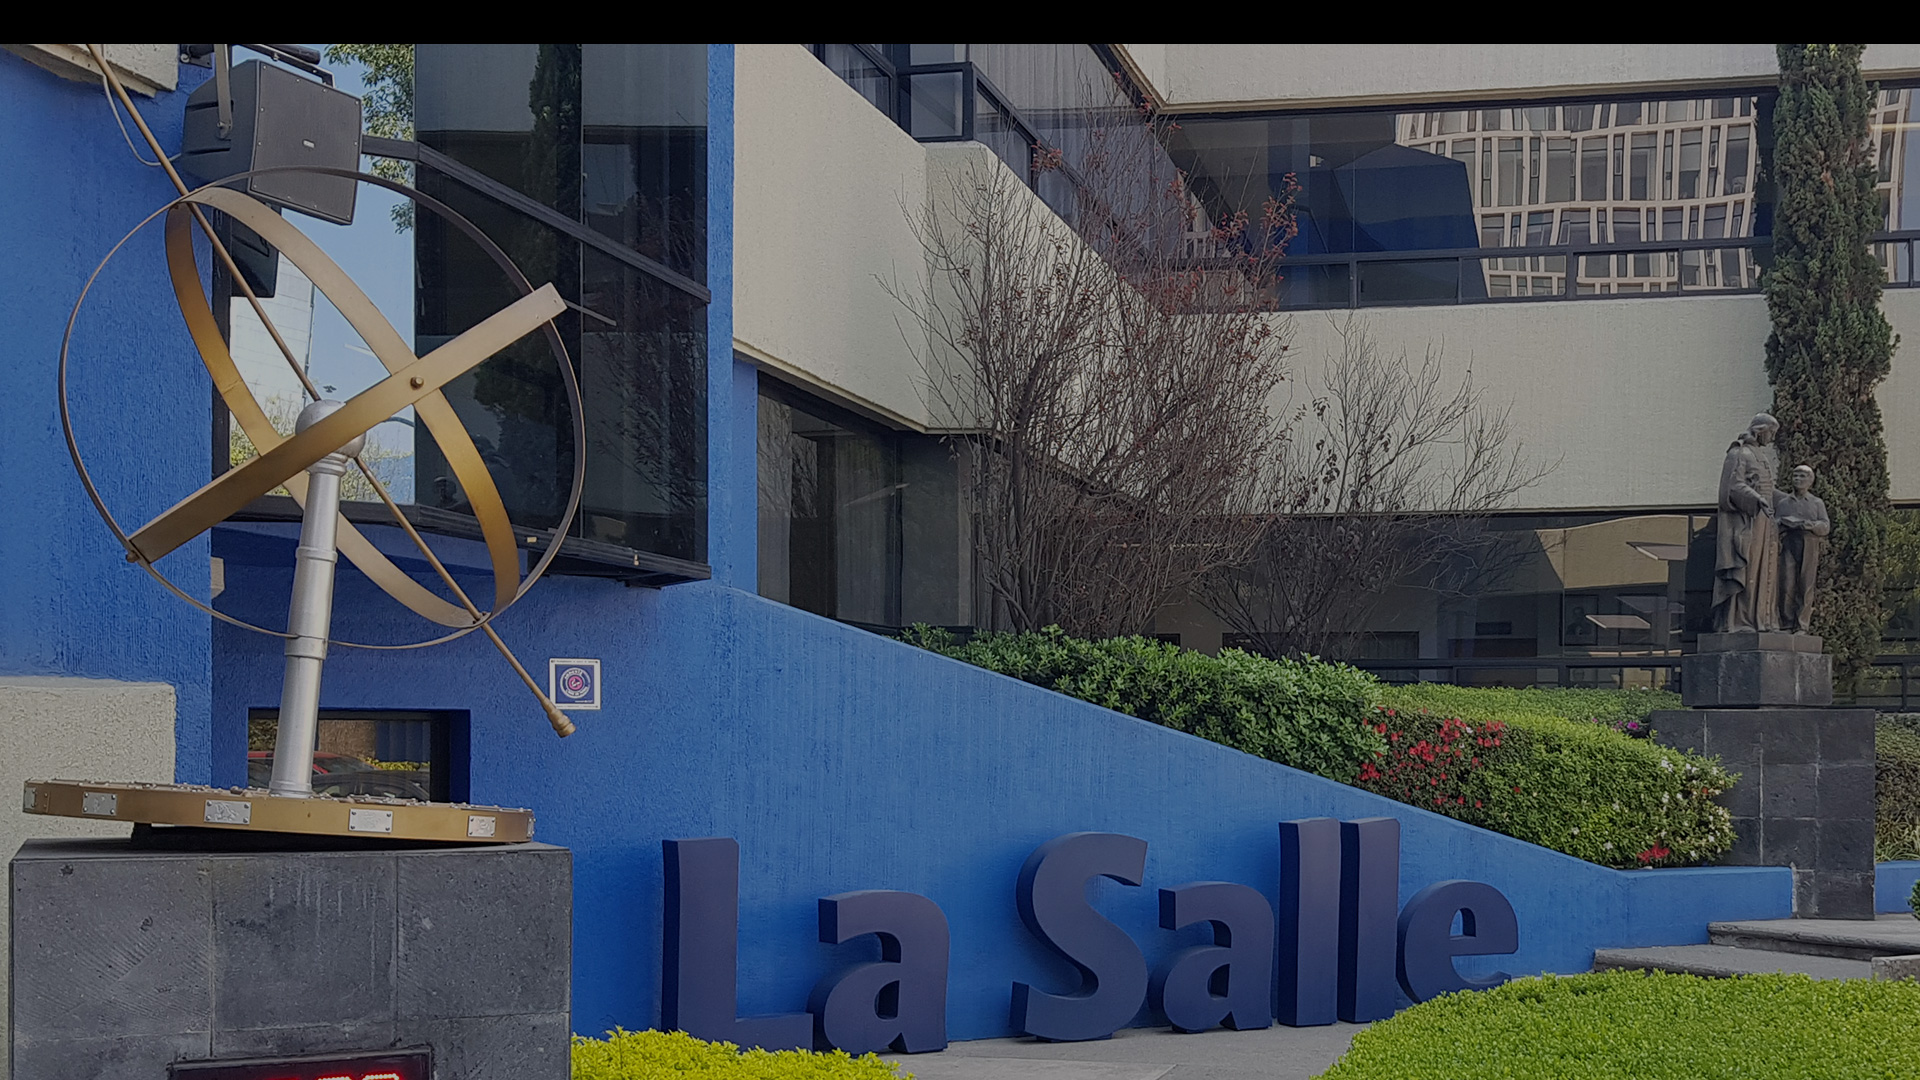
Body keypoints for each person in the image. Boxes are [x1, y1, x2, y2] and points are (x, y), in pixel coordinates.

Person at [1712, 414, 1782, 633]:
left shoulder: (1760, 455)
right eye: (1771, 432)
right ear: (1760, 430)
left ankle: (1761, 619)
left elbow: (1768, 488)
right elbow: (1732, 487)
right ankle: (1740, 620)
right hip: (1747, 522)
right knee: (1748, 569)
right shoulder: (1739, 453)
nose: (1772, 438)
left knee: (1764, 570)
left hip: (1764, 520)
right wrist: (1756, 498)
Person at [1775, 464, 1831, 634]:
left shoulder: (1816, 503)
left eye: (1802, 476)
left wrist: (1810, 525)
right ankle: (1786, 623)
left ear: (1810, 481)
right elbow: (1774, 524)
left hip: (1809, 543)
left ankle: (1801, 625)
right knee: (1786, 584)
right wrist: (1782, 523)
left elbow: (1825, 526)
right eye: (1795, 476)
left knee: (1806, 585)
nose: (1798, 479)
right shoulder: (1784, 503)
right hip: (1789, 543)